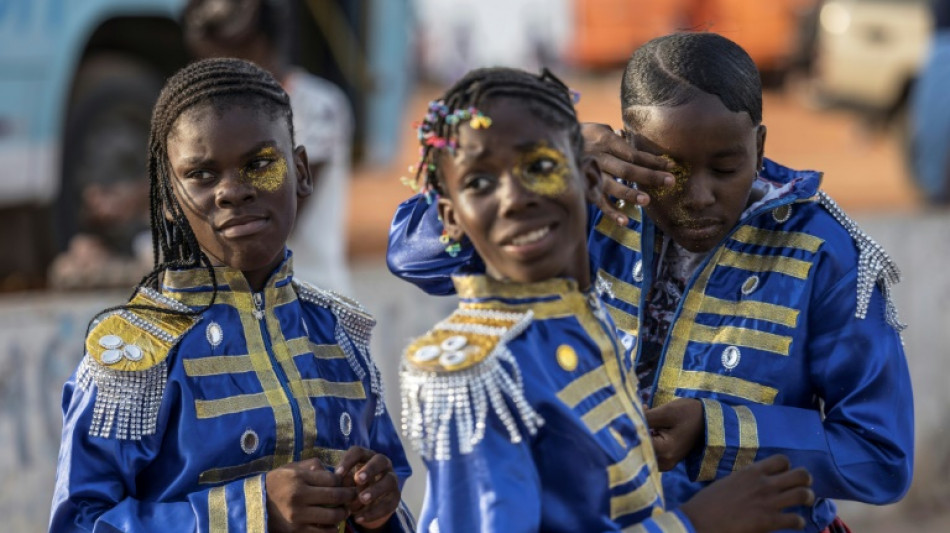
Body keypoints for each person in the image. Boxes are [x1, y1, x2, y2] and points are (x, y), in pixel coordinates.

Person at [388, 33, 914, 533]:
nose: (700, 196)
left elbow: (882, 456)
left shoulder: (823, 251)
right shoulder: (586, 205)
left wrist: (714, 432)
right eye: (672, 173)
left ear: (759, 144)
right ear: (627, 146)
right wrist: (558, 159)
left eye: (726, 167)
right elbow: (412, 255)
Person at [49, 58, 414, 533]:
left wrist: (379, 504)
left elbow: (393, 491)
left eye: (259, 164)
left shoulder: (341, 337)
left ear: (301, 171)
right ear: (167, 201)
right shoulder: (132, 356)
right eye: (201, 174)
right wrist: (254, 511)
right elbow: (81, 522)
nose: (232, 192)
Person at [184, 0, 354, 293]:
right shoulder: (225, 118)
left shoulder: (317, 106)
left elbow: (277, 209)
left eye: (219, 59)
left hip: (310, 298)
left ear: (258, 47)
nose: (211, 74)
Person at [910, 0, 950, 205]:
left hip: (943, 40)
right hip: (944, 38)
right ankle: (936, 187)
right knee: (935, 121)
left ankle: (935, 186)